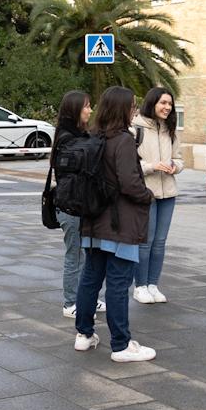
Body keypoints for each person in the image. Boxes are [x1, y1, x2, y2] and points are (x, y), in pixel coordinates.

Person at [72, 86, 156, 363]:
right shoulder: (123, 141)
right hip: (120, 224)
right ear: (123, 109)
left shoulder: (92, 137)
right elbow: (130, 183)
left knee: (90, 278)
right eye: (132, 105)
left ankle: (84, 335)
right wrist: (147, 196)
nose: (134, 110)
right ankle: (121, 344)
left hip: (94, 222)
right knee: (119, 284)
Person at [52, 91, 106, 318]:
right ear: (75, 109)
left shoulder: (79, 135)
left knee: (85, 255)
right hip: (70, 205)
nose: (90, 110)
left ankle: (87, 298)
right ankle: (70, 303)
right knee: (74, 255)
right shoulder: (67, 138)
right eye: (86, 106)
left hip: (80, 204)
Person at [131, 86, 183, 304]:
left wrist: (174, 166)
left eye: (170, 104)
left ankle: (153, 284)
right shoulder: (136, 128)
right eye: (163, 103)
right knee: (145, 241)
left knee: (160, 242)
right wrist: (152, 166)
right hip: (146, 193)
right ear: (152, 103)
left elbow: (180, 158)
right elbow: (129, 163)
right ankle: (140, 286)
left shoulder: (170, 130)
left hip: (168, 192)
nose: (167, 107)